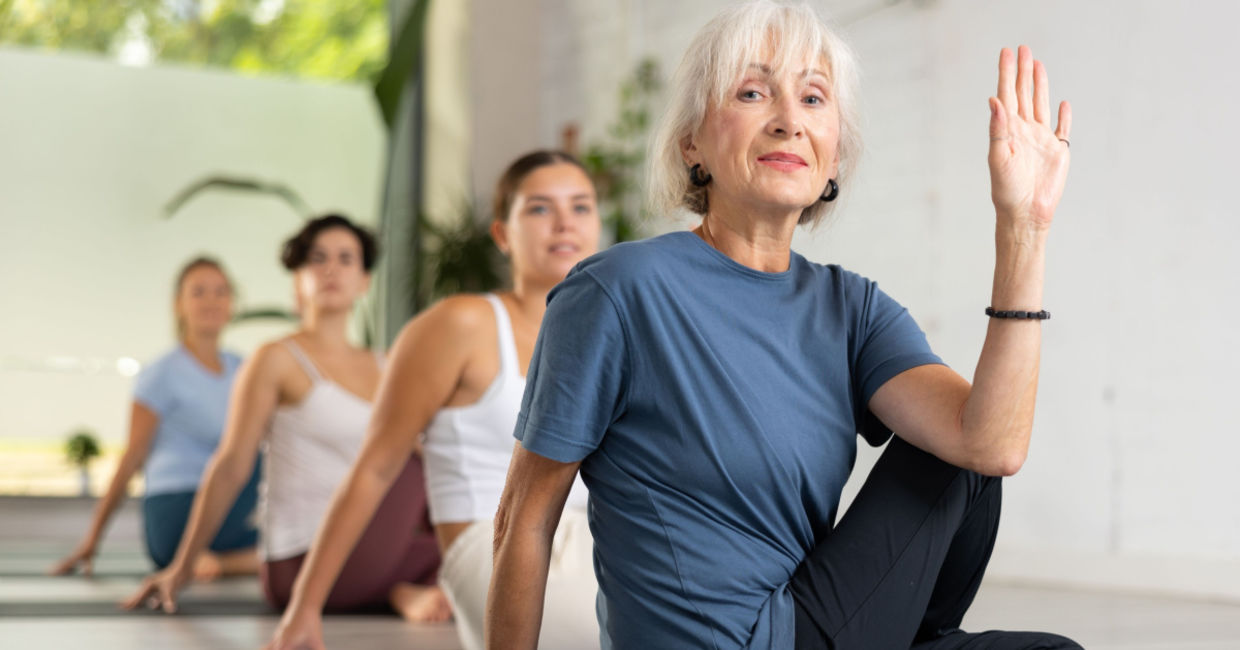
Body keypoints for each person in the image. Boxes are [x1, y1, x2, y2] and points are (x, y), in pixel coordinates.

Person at [488, 2, 1082, 649]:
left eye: (813, 98)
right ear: (692, 142)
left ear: (835, 157)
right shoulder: (617, 291)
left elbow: (990, 446)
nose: (789, 121)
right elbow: (525, 518)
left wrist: (1023, 229)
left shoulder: (852, 309)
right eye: (752, 91)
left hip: (806, 625)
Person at [266, 151, 603, 650]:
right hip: (495, 549)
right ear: (502, 233)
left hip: (596, 540)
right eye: (538, 208)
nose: (563, 223)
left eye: (580, 207)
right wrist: (304, 608)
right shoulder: (460, 324)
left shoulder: (606, 331)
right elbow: (376, 467)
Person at [122, 214, 443, 620]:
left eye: (346, 259)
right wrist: (182, 568)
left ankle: (398, 589)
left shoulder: (387, 364)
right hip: (302, 560)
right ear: (298, 279)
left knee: (444, 469)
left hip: (374, 544)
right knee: (411, 466)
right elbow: (231, 464)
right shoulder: (275, 359)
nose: (331, 268)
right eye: (318, 258)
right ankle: (405, 586)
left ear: (364, 281)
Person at [51, 256, 260, 581]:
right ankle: (198, 558)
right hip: (176, 511)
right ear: (179, 304)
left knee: (264, 452)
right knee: (252, 458)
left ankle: (215, 563)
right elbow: (133, 456)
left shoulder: (242, 368)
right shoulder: (161, 373)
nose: (211, 300)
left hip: (225, 508)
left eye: (221, 291)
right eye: (199, 292)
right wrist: (92, 540)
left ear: (232, 302)